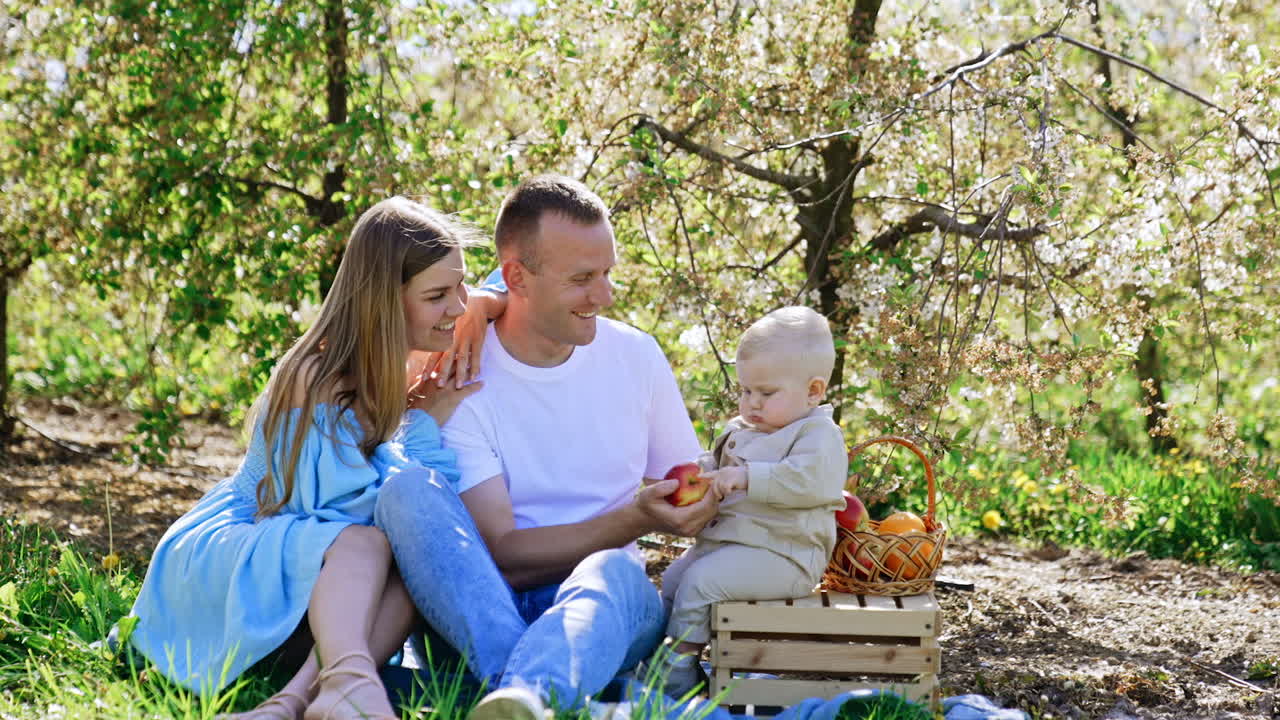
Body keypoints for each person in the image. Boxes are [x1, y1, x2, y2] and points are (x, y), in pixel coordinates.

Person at [124, 197, 502, 720]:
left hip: (326, 556)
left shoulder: (400, 356)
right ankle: (339, 685)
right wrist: (420, 424)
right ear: (383, 302)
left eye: (461, 286)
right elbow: (346, 510)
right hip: (248, 539)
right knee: (369, 541)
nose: (458, 307)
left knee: (414, 560)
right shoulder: (316, 375)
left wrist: (482, 304)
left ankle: (299, 701)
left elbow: (521, 276)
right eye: (439, 294)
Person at [374, 174, 720, 720]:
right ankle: (564, 699)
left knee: (616, 571)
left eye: (607, 273)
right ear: (516, 276)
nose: (604, 295)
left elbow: (690, 482)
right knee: (407, 489)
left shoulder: (636, 357)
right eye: (582, 278)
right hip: (486, 609)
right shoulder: (460, 375)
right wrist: (633, 519)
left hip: (604, 617)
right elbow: (505, 558)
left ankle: (518, 694)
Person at [651, 306, 849, 698]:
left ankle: (679, 678)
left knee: (699, 584)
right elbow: (720, 465)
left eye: (766, 393)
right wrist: (700, 472)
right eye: (745, 391)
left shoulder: (818, 436)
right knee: (673, 579)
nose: (752, 403)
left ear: (813, 391)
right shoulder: (745, 428)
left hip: (785, 554)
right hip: (733, 545)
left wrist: (748, 477)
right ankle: (656, 654)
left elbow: (809, 481)